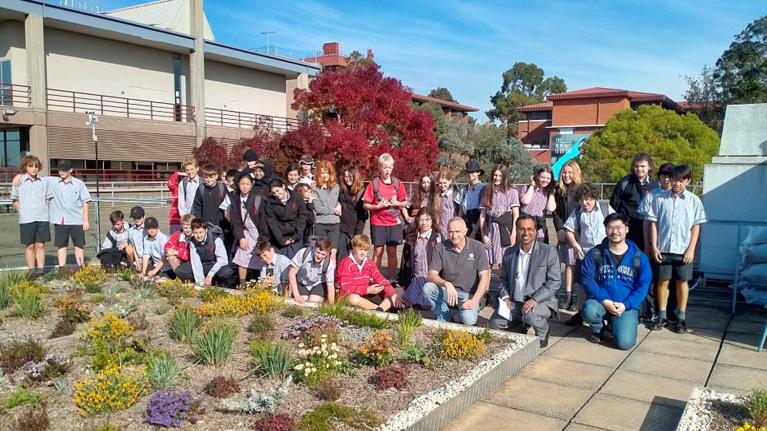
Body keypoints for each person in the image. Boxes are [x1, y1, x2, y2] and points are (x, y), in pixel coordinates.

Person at [645, 165, 707, 333]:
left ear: (687, 181)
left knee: (682, 282)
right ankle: (662, 315)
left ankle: (681, 318)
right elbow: (653, 224)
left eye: (681, 180)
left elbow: (696, 227)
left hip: (683, 250)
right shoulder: (659, 198)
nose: (677, 184)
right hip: (663, 249)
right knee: (662, 281)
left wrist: (691, 249)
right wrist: (654, 246)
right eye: (674, 180)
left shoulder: (694, 200)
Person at [580, 213, 652, 349]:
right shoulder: (595, 253)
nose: (615, 232)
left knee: (625, 344)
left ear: (627, 229)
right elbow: (587, 279)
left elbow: (643, 286)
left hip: (625, 305)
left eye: (619, 227)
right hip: (601, 302)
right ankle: (598, 329)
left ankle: (615, 324)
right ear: (606, 230)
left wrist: (626, 304)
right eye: (610, 228)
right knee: (589, 309)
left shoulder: (639, 257)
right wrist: (604, 300)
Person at [489, 214, 560, 347]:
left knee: (530, 316)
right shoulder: (509, 253)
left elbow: (554, 282)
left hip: (539, 301)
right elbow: (503, 279)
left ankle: (544, 330)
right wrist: (505, 297)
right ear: (516, 230)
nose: (526, 233)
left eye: (530, 229)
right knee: (495, 324)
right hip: (514, 301)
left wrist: (535, 299)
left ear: (535, 230)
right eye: (522, 229)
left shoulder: (548, 252)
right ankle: (519, 326)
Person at [423, 217, 490, 326]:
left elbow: (484, 277)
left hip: (469, 294)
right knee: (428, 288)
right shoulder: (440, 247)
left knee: (469, 320)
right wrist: (446, 283)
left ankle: (458, 314)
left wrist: (474, 300)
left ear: (465, 231)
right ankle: (444, 314)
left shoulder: (478, 247)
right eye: (450, 232)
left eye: (457, 231)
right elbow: (431, 274)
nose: (454, 236)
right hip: (449, 291)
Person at [563, 183, 615, 320]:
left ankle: (605, 313)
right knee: (582, 284)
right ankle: (581, 314)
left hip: (604, 254)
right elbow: (568, 229)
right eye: (582, 200)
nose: (585, 203)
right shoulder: (578, 212)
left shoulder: (605, 208)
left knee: (604, 282)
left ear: (594, 198)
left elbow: (616, 225)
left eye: (588, 199)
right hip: (585, 254)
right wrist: (575, 244)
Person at [637, 162, 676, 323]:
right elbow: (646, 222)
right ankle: (651, 311)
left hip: (673, 248)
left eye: (669, 177)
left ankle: (670, 313)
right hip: (654, 247)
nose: (666, 180)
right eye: (663, 176)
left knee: (671, 282)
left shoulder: (680, 197)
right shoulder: (652, 195)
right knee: (651, 281)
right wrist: (648, 246)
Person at [362, 153, 409, 281]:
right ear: (379, 168)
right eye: (384, 167)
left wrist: (397, 203)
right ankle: (375, 278)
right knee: (377, 252)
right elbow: (366, 204)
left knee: (392, 252)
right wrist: (378, 207)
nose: (386, 170)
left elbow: (404, 202)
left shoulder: (397, 183)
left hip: (394, 223)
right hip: (378, 223)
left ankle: (392, 278)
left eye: (389, 167)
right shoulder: (374, 184)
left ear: (392, 167)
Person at [45, 160, 92, 268]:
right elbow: (36, 177)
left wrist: (85, 220)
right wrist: (19, 176)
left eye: (64, 170)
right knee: (61, 245)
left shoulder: (79, 184)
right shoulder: (52, 182)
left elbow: (85, 202)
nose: (61, 172)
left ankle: (81, 267)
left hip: (77, 220)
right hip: (60, 220)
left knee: (79, 245)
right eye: (60, 169)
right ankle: (62, 268)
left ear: (71, 170)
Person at [11, 155, 52, 273]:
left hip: (42, 218)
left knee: (40, 245)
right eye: (31, 166)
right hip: (26, 219)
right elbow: (15, 200)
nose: (34, 169)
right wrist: (22, 212)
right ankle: (31, 270)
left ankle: (40, 269)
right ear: (25, 167)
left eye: (36, 166)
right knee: (29, 246)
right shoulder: (19, 181)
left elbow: (48, 199)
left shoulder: (44, 182)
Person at [225, 173, 267, 286]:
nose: (244, 186)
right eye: (242, 184)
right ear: (238, 184)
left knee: (262, 259)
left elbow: (263, 220)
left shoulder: (258, 198)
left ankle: (263, 285)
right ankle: (243, 285)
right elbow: (235, 221)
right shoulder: (234, 198)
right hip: (245, 231)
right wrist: (241, 237)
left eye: (247, 184)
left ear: (251, 185)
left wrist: (263, 238)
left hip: (258, 232)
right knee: (242, 257)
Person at [609, 152, 658, 249]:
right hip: (628, 231)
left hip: (648, 231)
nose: (639, 169)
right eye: (636, 166)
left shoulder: (655, 185)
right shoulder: (624, 183)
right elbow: (613, 206)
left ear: (649, 167)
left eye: (643, 166)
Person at [337, 234, 398, 311]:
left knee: (395, 292)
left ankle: (380, 310)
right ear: (353, 248)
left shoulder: (369, 263)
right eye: (360, 249)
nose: (363, 253)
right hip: (349, 296)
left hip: (366, 294)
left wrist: (392, 292)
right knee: (353, 298)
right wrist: (367, 290)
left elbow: (379, 278)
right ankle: (378, 309)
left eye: (365, 250)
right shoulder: (346, 262)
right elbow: (346, 289)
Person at [553, 160, 583, 310]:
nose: (566, 175)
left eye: (570, 172)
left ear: (576, 173)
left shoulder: (581, 190)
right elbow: (556, 212)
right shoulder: (559, 191)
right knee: (568, 265)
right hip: (564, 232)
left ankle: (577, 297)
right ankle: (568, 295)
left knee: (577, 265)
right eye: (564, 172)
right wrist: (559, 229)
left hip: (579, 233)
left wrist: (577, 231)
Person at [396, 208, 440, 309]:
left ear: (432, 221)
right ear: (417, 221)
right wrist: (402, 283)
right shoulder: (411, 238)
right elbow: (405, 262)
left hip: (431, 279)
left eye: (427, 220)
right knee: (405, 302)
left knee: (425, 305)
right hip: (415, 278)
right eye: (421, 220)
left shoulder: (438, 238)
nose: (424, 223)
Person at [478, 165, 520, 270]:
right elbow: (483, 215)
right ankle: (485, 287)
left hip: (505, 230)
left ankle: (503, 286)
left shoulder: (512, 191)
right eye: (495, 175)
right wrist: (483, 235)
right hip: (490, 230)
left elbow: (516, 214)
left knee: (504, 264)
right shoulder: (486, 190)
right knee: (487, 264)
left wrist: (514, 233)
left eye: (500, 176)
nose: (497, 178)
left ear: (504, 177)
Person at [176, 218, 235, 287]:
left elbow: (223, 260)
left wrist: (210, 275)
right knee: (180, 271)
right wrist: (201, 281)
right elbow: (196, 262)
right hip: (203, 265)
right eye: (195, 233)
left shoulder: (216, 239)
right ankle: (202, 282)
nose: (198, 236)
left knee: (227, 272)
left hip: (215, 264)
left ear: (206, 230)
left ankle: (216, 282)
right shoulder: (192, 242)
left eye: (201, 232)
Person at [265, 178, 309, 258]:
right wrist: (281, 240)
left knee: (294, 261)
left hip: (295, 235)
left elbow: (302, 216)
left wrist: (296, 236)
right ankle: (269, 271)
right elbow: (272, 223)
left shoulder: (296, 197)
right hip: (279, 236)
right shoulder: (270, 203)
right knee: (274, 262)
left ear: (283, 186)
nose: (276, 194)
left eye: (278, 191)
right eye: (273, 193)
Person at [192, 163, 231, 252]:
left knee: (221, 248)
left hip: (221, 225)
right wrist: (199, 224)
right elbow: (197, 207)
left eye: (211, 177)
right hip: (206, 225)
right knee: (208, 248)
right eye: (206, 177)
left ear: (216, 176)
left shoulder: (222, 188)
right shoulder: (201, 189)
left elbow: (228, 207)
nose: (208, 179)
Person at [287, 237, 336, 304]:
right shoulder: (303, 253)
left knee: (313, 301)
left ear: (327, 254)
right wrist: (296, 295)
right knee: (302, 301)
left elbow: (330, 285)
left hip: (317, 283)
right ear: (314, 248)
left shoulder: (329, 264)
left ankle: (322, 298)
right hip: (302, 282)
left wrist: (332, 307)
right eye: (318, 252)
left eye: (323, 254)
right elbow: (292, 272)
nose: (319, 256)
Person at [312, 160, 342, 259]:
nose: (325, 175)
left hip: (334, 223)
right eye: (322, 173)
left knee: (333, 253)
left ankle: (331, 274)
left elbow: (337, 201)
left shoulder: (336, 187)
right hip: (321, 224)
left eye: (327, 172)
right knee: (322, 252)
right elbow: (319, 208)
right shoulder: (315, 189)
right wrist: (333, 210)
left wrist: (339, 205)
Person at [337, 163, 367, 260]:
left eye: (350, 176)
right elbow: (337, 202)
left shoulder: (361, 192)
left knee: (353, 259)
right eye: (345, 177)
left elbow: (362, 216)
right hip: (341, 230)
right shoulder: (341, 190)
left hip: (354, 231)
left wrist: (357, 234)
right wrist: (338, 204)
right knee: (341, 257)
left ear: (355, 176)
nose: (347, 179)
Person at [520, 166, 557, 242]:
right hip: (526, 223)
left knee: (539, 249)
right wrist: (532, 186)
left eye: (548, 178)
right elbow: (525, 201)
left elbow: (550, 208)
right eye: (542, 177)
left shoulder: (549, 192)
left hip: (540, 226)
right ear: (537, 177)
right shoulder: (526, 188)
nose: (545, 180)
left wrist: (552, 192)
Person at [456, 160, 486, 237]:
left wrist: (475, 231)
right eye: (468, 172)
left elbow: (483, 212)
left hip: (479, 225)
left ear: (478, 173)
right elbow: (461, 211)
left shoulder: (484, 188)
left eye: (473, 172)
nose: (470, 174)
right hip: (466, 224)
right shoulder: (463, 189)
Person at [434, 167, 462, 239]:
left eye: (445, 183)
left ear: (450, 181)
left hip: (454, 228)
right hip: (441, 229)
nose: (442, 185)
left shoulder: (455, 194)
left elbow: (460, 212)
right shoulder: (437, 196)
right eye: (440, 183)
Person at [127, 206, 146, 271]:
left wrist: (143, 262)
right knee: (133, 272)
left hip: (148, 259)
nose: (137, 220)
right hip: (138, 258)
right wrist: (138, 262)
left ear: (144, 217)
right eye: (134, 218)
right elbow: (133, 247)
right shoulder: (131, 231)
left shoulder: (148, 229)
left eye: (139, 217)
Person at [166, 169, 184, 233]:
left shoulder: (189, 189)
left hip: (186, 219)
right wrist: (177, 173)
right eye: (181, 178)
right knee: (174, 239)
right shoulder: (176, 188)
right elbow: (170, 184)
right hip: (175, 219)